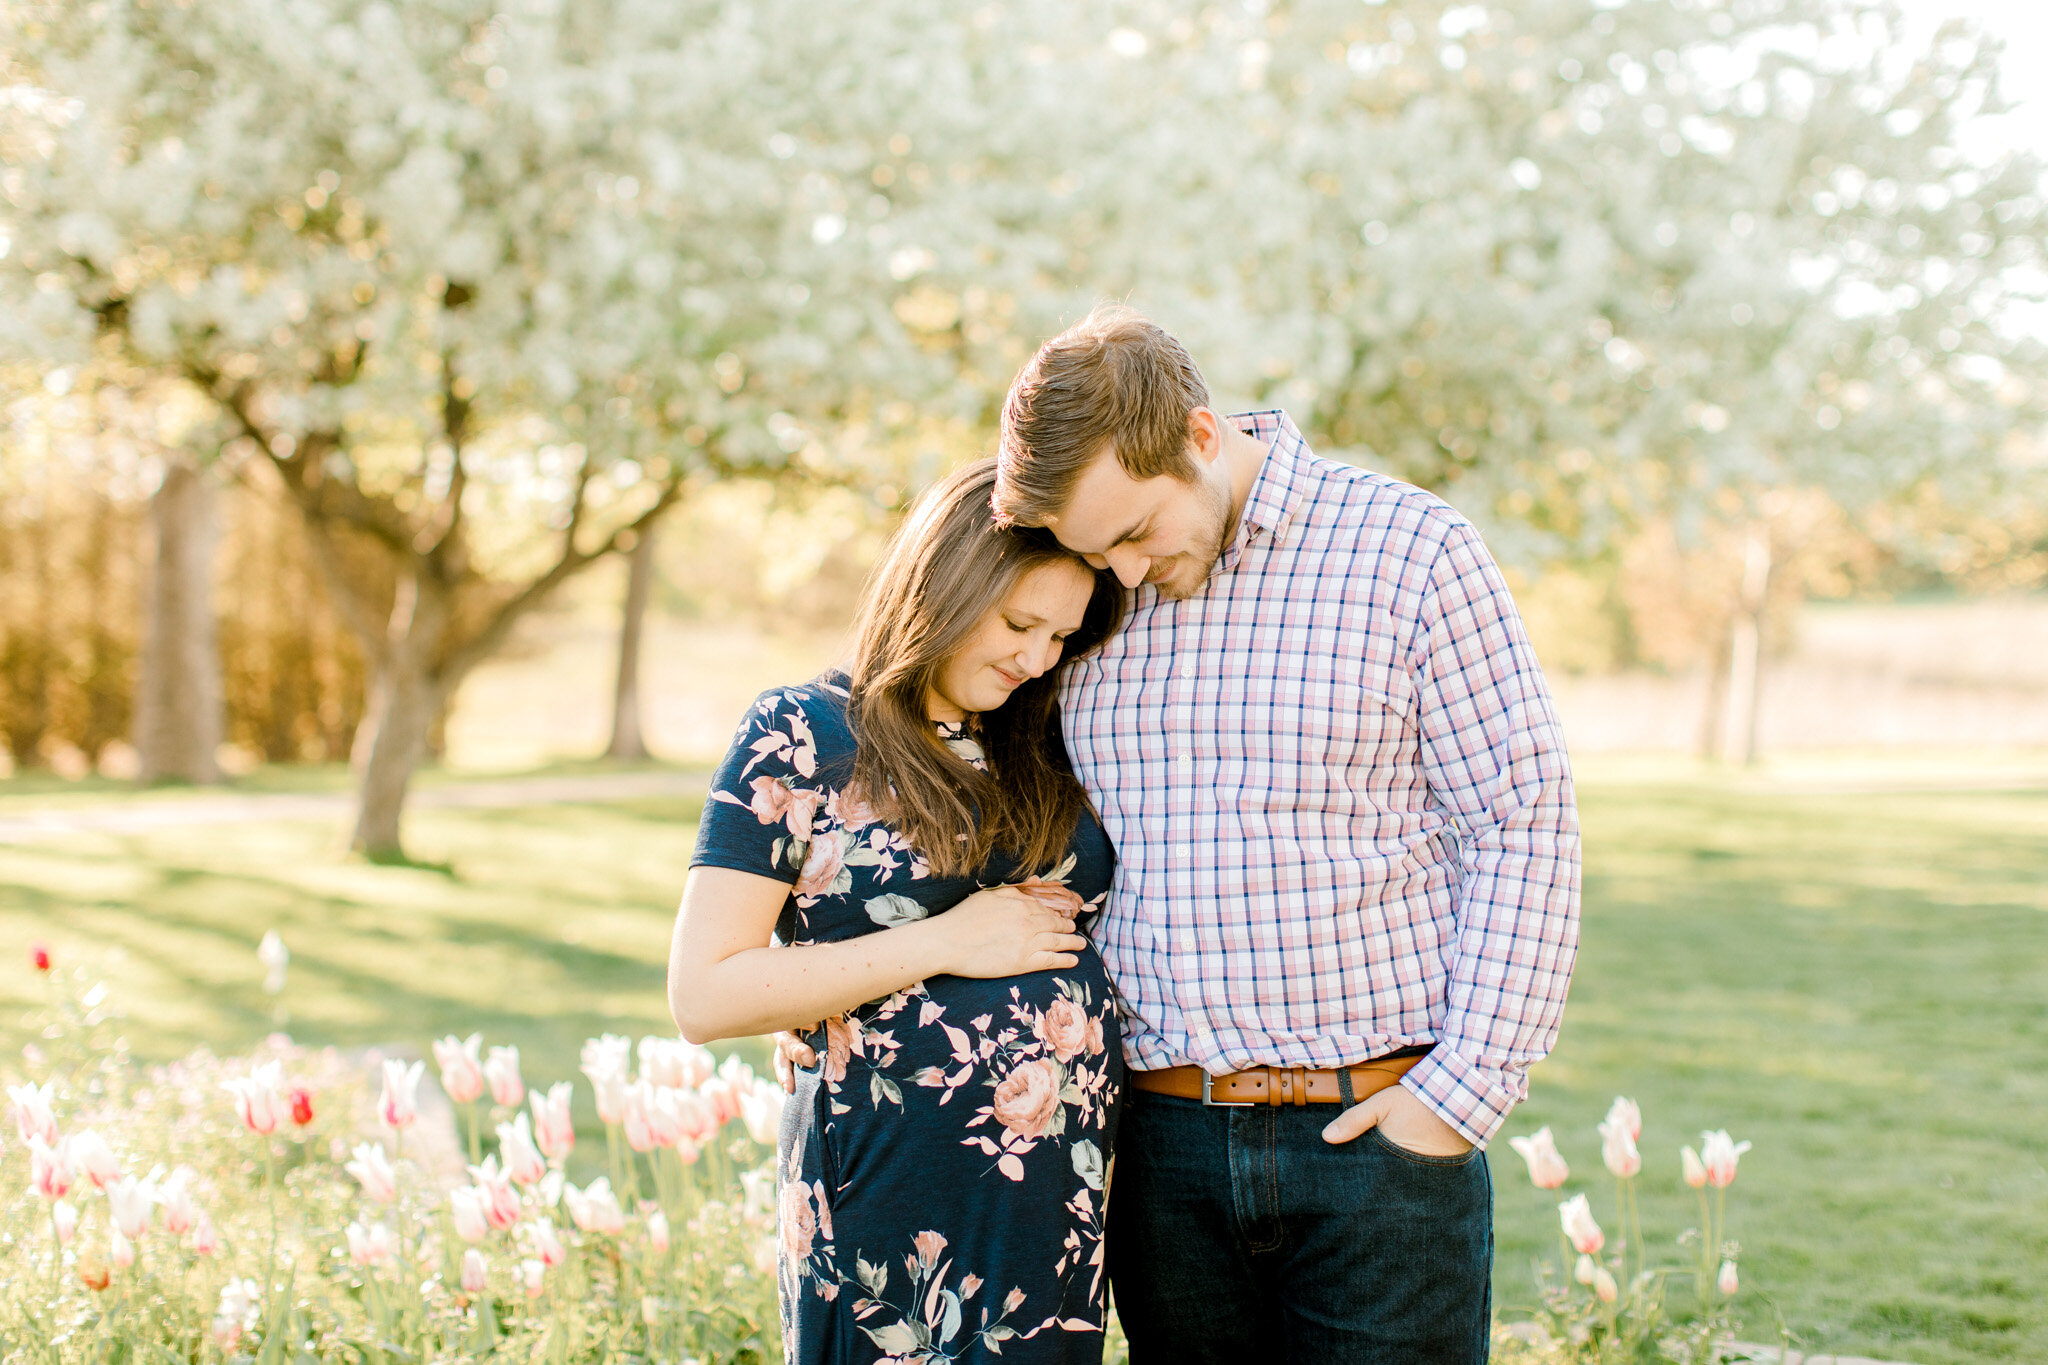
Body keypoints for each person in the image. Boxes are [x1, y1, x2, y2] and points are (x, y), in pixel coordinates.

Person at [987, 304, 1583, 1363]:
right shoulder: (1083, 599)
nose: (1118, 574)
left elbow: (1521, 823)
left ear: (1200, 438)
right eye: (1093, 550)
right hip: (1160, 1154)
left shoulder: (1411, 552)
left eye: (1132, 534)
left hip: (1378, 1143)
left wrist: (1456, 1102)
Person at [668, 460, 1127, 1365]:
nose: (1037, 657)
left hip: (1055, 1210)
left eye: (1060, 636)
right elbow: (705, 992)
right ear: (944, 585)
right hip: (892, 1200)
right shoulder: (803, 732)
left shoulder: (1043, 735)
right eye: (1019, 623)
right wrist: (949, 940)